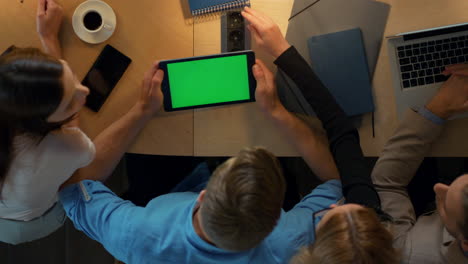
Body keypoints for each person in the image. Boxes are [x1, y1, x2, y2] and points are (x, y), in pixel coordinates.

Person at [58, 6, 397, 264]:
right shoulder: (294, 240)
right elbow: (341, 177)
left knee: (148, 160)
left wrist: (141, 112)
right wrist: (277, 113)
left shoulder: (132, 233)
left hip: (162, 202)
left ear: (203, 196)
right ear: (276, 217)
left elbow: (73, 182)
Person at [241, 7, 399, 264]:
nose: (337, 205)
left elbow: (340, 135)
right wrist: (281, 54)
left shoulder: (275, 242)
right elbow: (343, 151)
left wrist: (283, 52)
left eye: (328, 221)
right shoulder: (367, 229)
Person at [0, 0, 163, 244]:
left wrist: (48, 39)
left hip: (11, 200)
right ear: (43, 124)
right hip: (25, 225)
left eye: (72, 77)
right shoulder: (66, 146)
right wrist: (143, 109)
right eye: (69, 104)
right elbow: (88, 158)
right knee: (81, 179)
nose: (84, 91)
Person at [371, 64, 468, 264]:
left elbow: (385, 182)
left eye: (447, 208)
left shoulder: (410, 253)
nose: (439, 188)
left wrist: (439, 108)